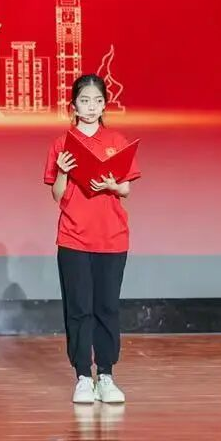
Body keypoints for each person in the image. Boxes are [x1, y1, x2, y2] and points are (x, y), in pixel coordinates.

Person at [45, 73, 139, 404]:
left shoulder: (116, 139)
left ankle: (107, 375)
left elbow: (126, 189)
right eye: (84, 101)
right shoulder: (62, 144)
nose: (91, 107)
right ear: (73, 105)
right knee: (79, 308)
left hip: (112, 237)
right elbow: (57, 195)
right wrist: (63, 170)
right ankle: (83, 375)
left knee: (107, 307)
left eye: (97, 101)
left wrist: (111, 185)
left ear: (104, 105)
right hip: (73, 237)